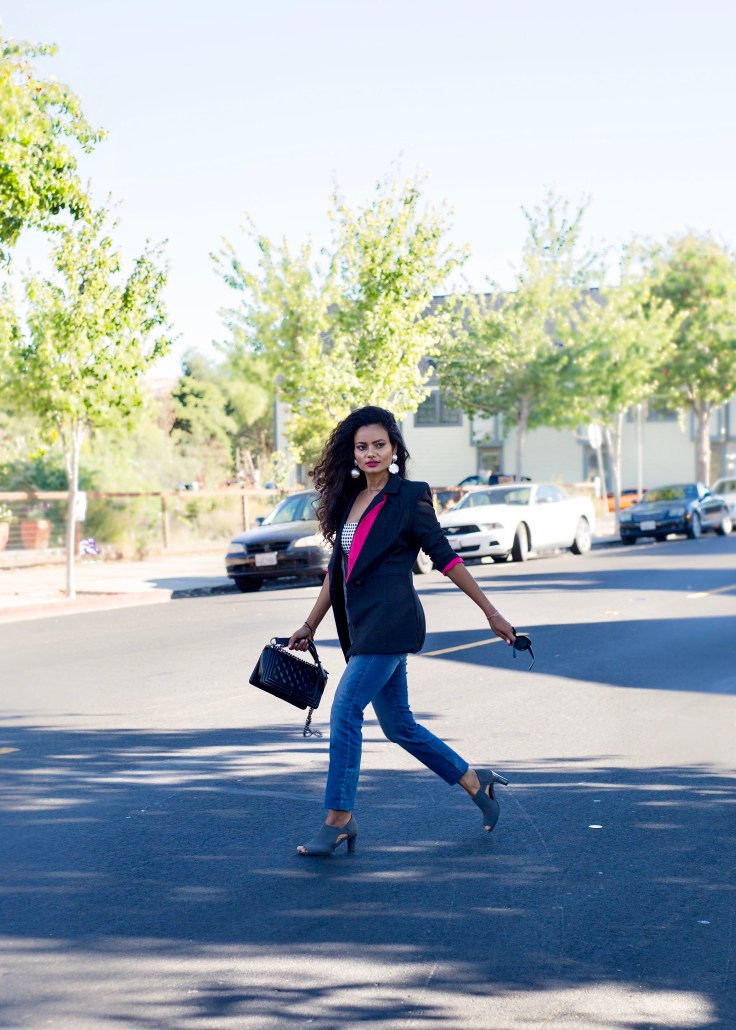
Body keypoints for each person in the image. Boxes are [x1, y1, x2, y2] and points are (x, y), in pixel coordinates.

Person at [287, 406, 517, 856]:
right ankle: (475, 782)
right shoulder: (347, 500)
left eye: (379, 445)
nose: (370, 453)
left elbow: (445, 557)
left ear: (394, 449)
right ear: (351, 453)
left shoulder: (410, 496)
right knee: (398, 725)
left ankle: (338, 818)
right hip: (360, 627)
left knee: (346, 711)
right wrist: (310, 623)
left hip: (392, 624)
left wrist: (490, 612)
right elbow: (338, 570)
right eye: (361, 446)